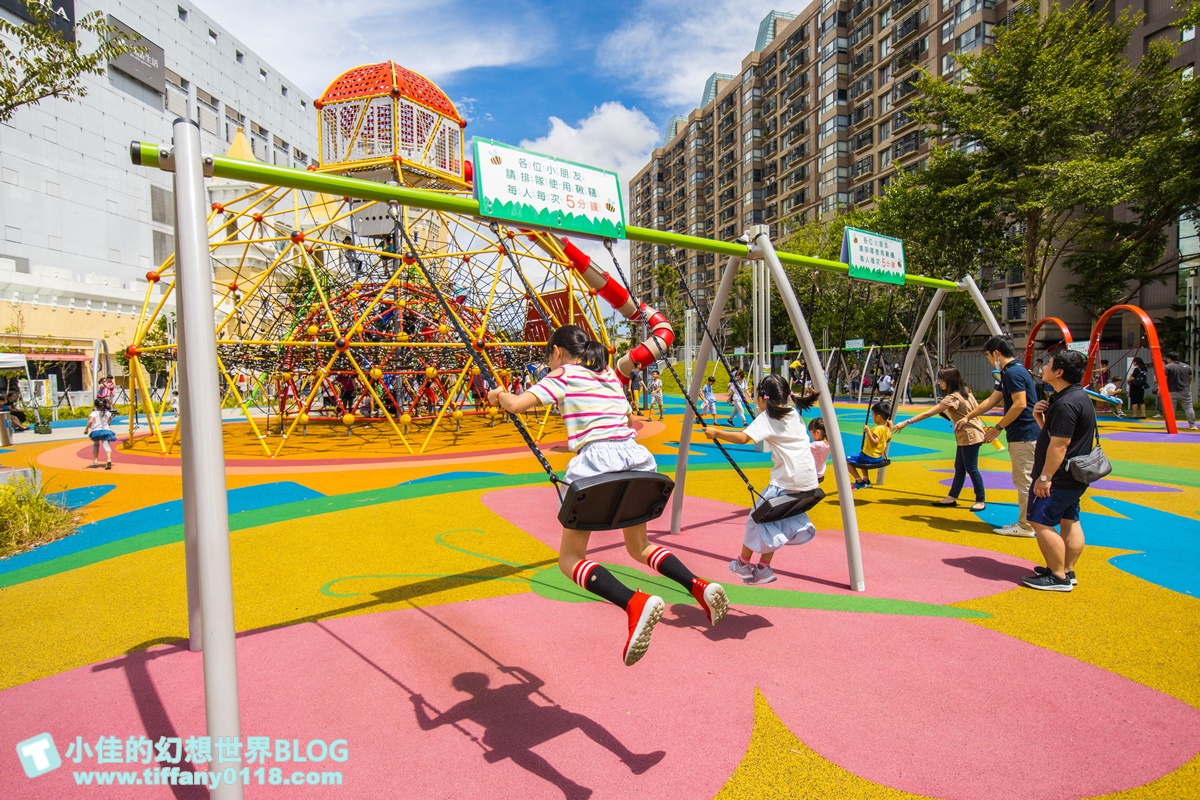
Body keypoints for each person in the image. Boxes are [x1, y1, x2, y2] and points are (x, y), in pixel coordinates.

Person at [487, 325, 728, 667]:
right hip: (637, 462)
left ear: (557, 352)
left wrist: (499, 396)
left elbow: (518, 404)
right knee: (638, 546)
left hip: (597, 464)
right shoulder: (610, 378)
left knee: (570, 559)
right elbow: (627, 417)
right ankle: (698, 585)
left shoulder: (564, 374)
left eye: (548, 357)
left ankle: (633, 602)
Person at [703, 375, 820, 586]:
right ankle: (763, 568)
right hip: (809, 481)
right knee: (775, 519)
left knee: (756, 518)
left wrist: (716, 432)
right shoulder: (794, 413)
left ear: (762, 398)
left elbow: (743, 438)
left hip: (787, 481)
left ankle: (743, 563)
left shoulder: (767, 418)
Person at [1021, 350, 1097, 592]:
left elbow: (1060, 444)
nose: (1042, 368)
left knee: (1038, 520)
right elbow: (1057, 436)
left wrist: (1045, 477)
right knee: (1070, 520)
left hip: (1059, 476)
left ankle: (1058, 576)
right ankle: (1067, 569)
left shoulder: (1065, 403)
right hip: (1074, 474)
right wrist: (1039, 417)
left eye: (1048, 365)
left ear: (1059, 372)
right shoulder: (1076, 397)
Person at [957, 335, 1040, 537]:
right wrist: (968, 416)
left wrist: (998, 427)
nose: (987, 359)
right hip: (1022, 434)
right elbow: (992, 400)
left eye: (987, 355)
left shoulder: (1013, 373)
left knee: (1025, 480)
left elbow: (1020, 403)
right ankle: (1028, 521)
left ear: (996, 353)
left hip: (1025, 434)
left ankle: (1027, 525)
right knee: (1024, 479)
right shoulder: (1009, 372)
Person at [893, 367, 987, 512]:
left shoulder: (952, 398)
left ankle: (980, 500)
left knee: (971, 468)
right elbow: (976, 408)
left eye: (941, 380)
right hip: (969, 433)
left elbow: (928, 413)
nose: (939, 383)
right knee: (960, 467)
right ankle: (952, 497)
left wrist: (907, 422)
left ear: (949, 381)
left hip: (970, 435)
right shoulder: (965, 391)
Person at [847, 401, 892, 489]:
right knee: (861, 457)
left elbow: (874, 443)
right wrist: (890, 426)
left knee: (847, 461)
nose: (872, 417)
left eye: (873, 415)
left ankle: (859, 481)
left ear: (878, 417)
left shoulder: (877, 429)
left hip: (870, 457)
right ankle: (866, 480)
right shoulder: (886, 429)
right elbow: (889, 439)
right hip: (878, 457)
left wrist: (868, 432)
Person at [1158, 352, 1196, 429]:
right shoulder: (1187, 367)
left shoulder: (1167, 367)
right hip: (1185, 390)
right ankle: (1192, 424)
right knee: (1188, 407)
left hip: (1172, 390)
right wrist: (1187, 385)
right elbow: (1190, 377)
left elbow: (1164, 379)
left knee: (1171, 409)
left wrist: (1161, 389)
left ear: (1169, 358)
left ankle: (1170, 425)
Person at [83, 398, 116, 470]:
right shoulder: (107, 413)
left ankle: (95, 460)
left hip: (96, 431)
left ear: (95, 405)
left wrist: (86, 429)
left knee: (96, 444)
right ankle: (109, 459)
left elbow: (90, 421)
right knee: (106, 445)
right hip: (106, 430)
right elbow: (109, 421)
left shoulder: (94, 413)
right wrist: (106, 425)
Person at [808, 417, 830, 483]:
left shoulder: (815, 445)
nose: (811, 435)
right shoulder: (828, 444)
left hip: (812, 474)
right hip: (820, 473)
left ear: (818, 432)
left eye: (811, 432)